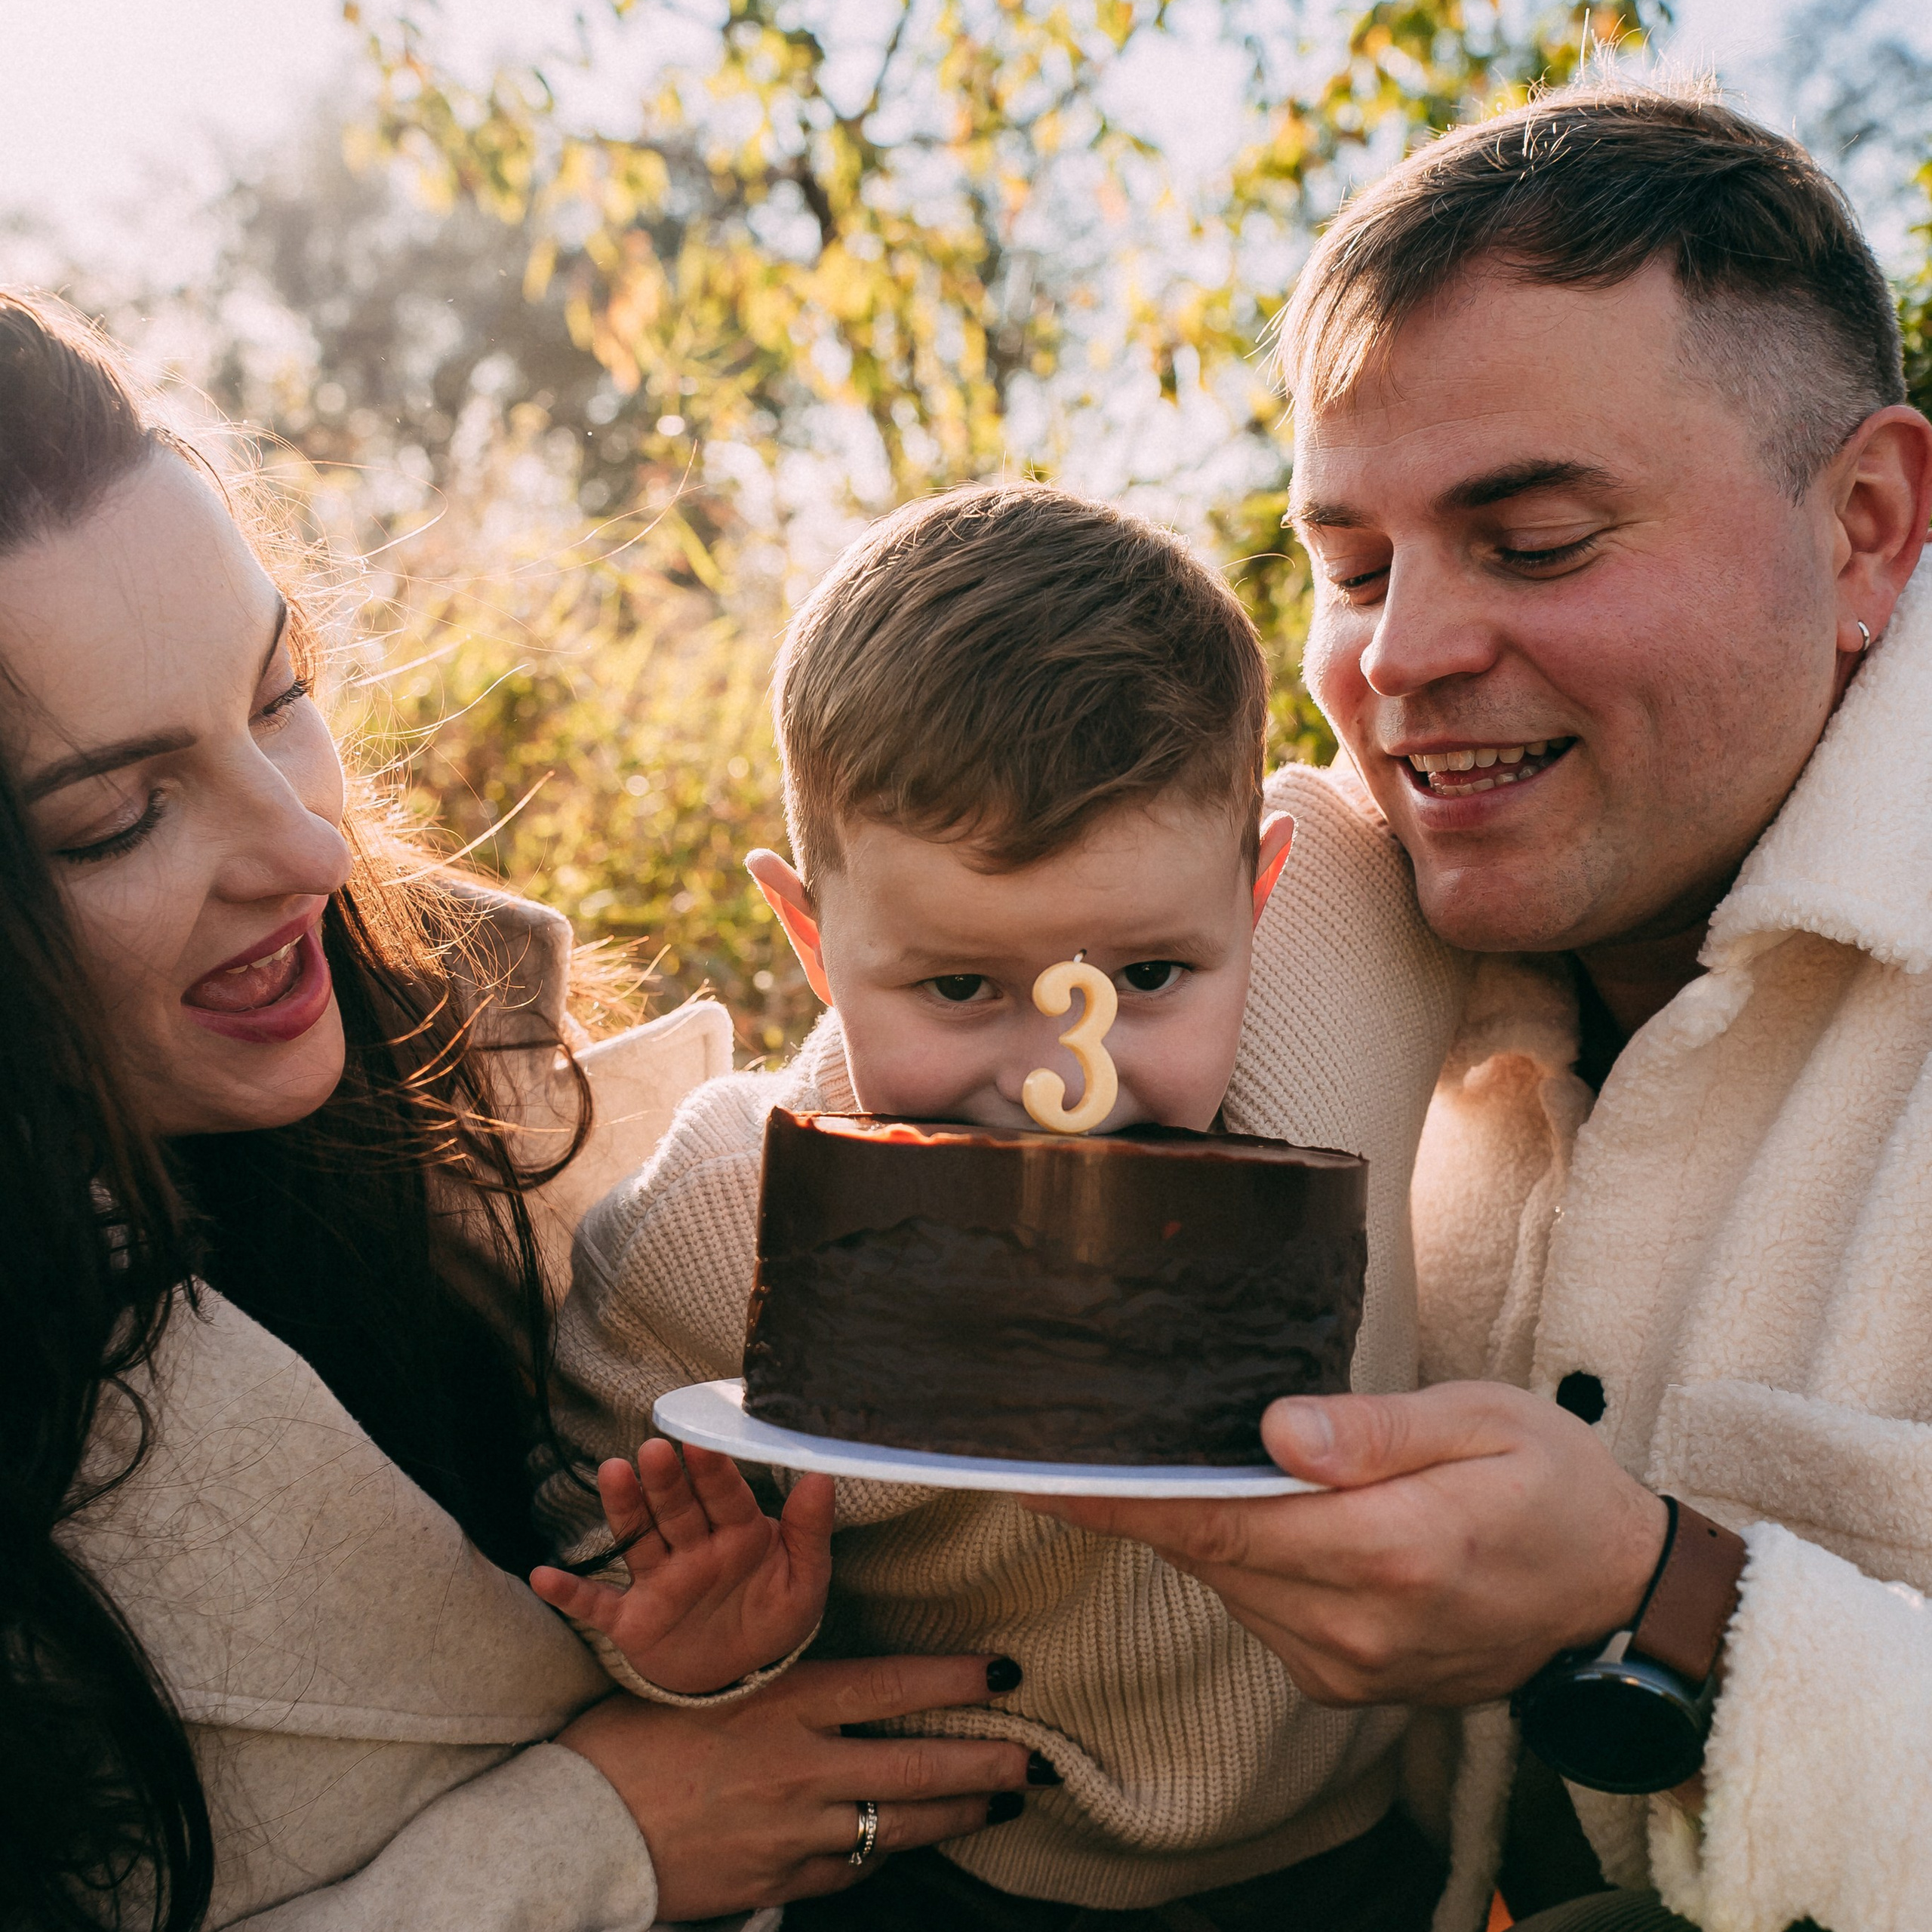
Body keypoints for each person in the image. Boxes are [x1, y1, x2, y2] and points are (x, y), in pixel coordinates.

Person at [0, 289, 1040, 1930]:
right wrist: (593, 1842)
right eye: (121, 815)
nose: (310, 849)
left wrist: (717, 1651)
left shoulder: (461, 1079)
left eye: (280, 695)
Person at [1029, 83, 1932, 1932]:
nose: (1398, 656)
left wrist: (1661, 1601)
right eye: (1348, 566)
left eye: (1530, 540)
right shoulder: (1300, 901)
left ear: (1860, 526)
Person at [536, 482, 1470, 1928]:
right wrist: (698, 1648)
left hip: (1354, 1840)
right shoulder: (724, 1215)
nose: (1061, 1082)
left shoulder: (1355, 929)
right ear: (815, 936)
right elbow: (600, 1532)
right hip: (961, 1872)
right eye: (960, 987)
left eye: (1146, 978)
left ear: (1260, 891)